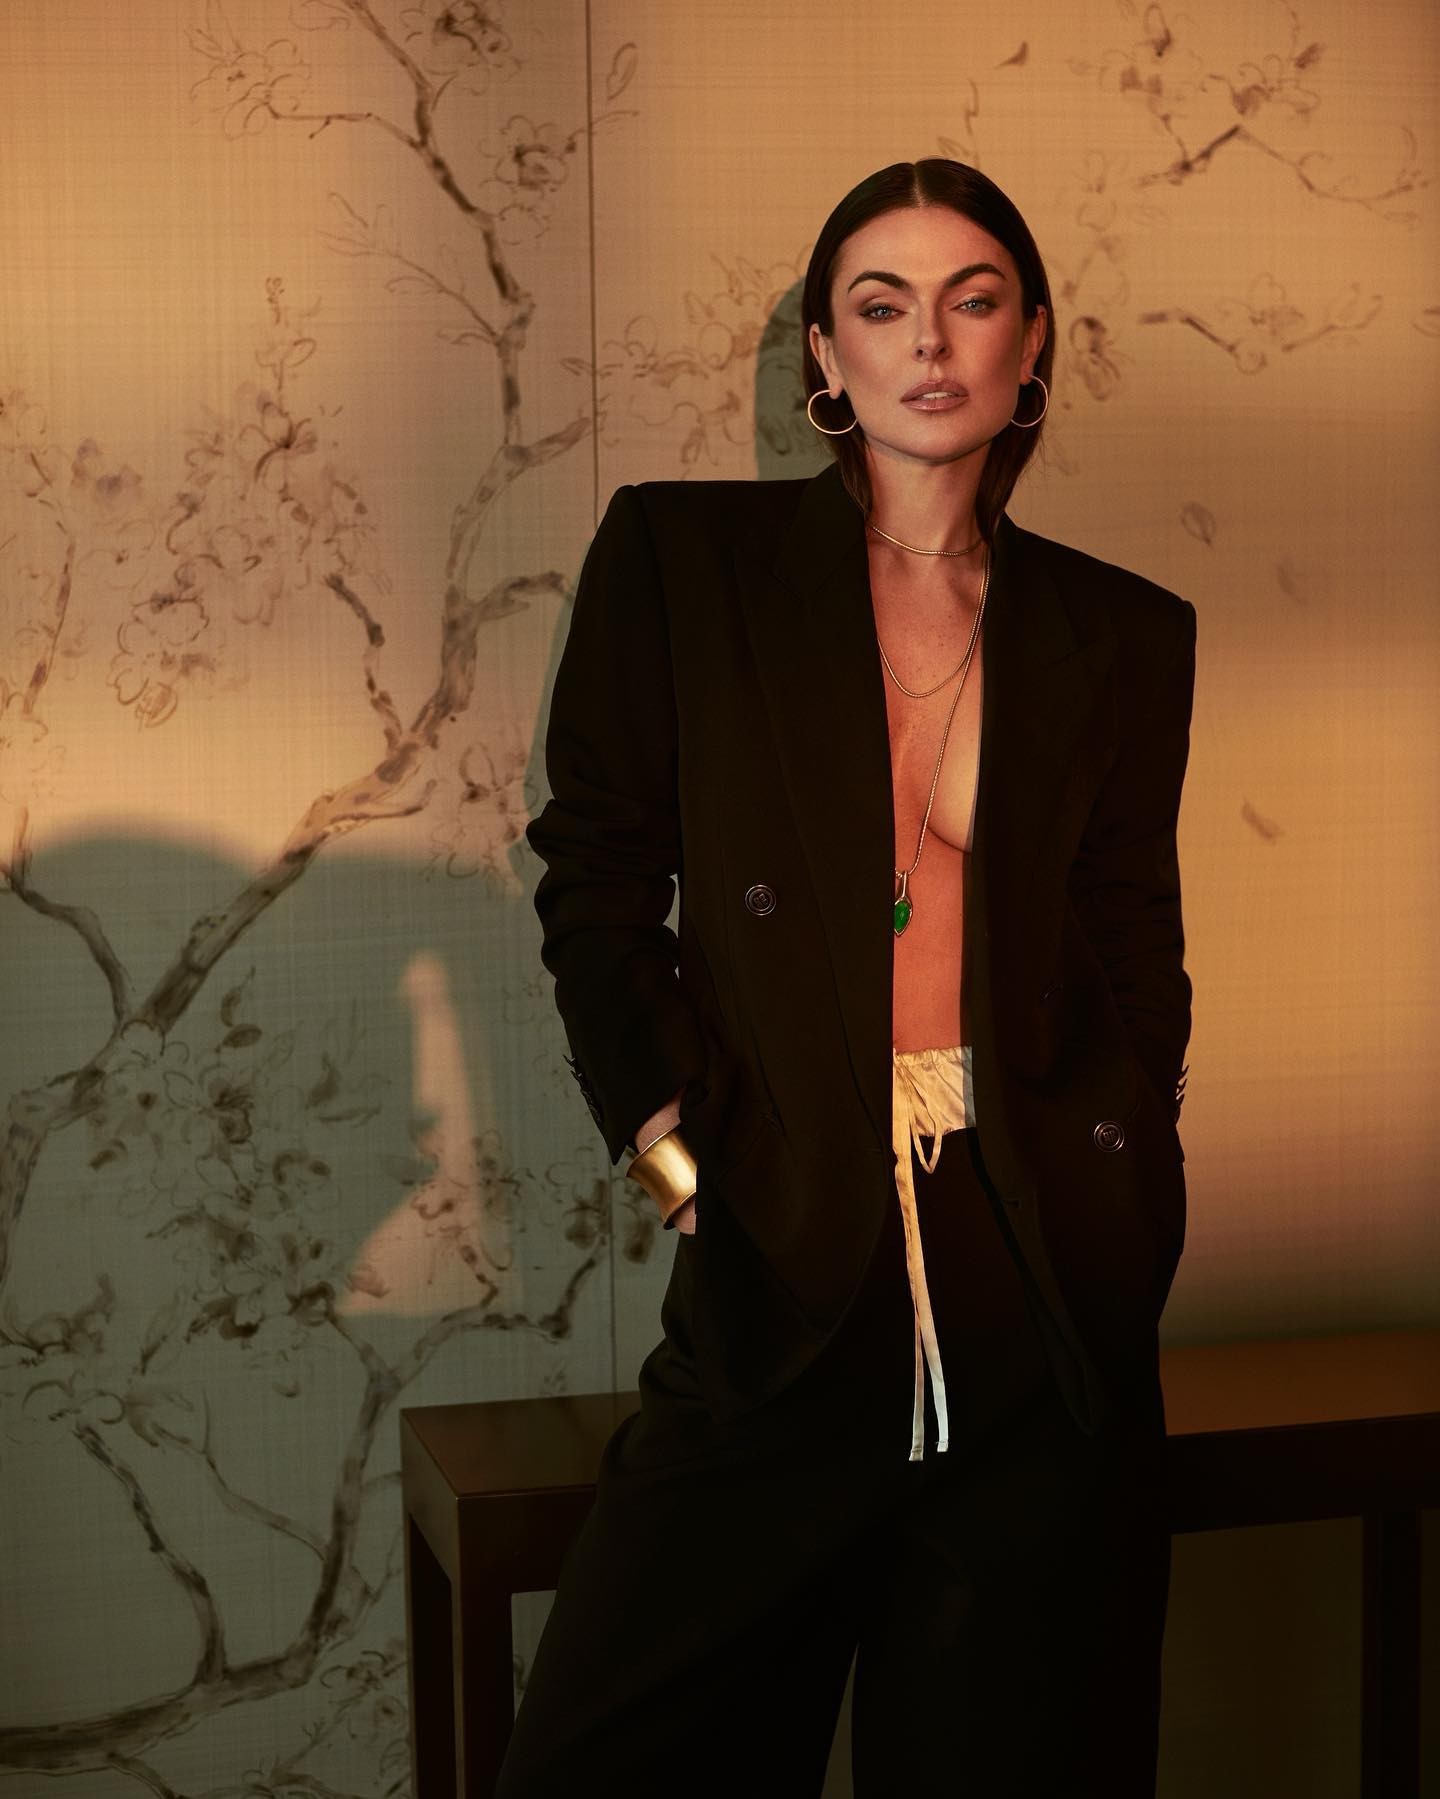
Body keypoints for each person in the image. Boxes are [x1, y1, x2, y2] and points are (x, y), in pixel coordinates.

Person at [499, 157, 1196, 1798]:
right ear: (826, 353)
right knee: (612, 1757)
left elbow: (1132, 939)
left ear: (1032, 342)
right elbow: (597, 872)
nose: (929, 342)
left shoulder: (1121, 629)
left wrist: (1131, 1180)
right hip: (788, 1232)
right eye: (883, 306)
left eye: (973, 300)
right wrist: (675, 1154)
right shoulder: (686, 561)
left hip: (1038, 1284)